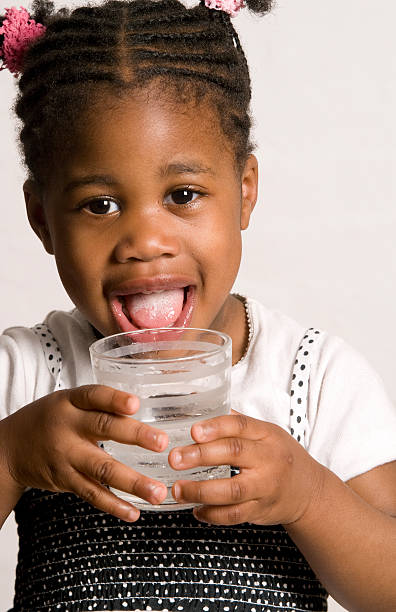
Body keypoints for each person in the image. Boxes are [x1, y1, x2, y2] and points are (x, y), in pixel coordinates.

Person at [0, 0, 395, 610]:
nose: (145, 242)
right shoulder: (26, 372)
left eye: (183, 195)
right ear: (41, 218)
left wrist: (311, 496)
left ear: (244, 192)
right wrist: (11, 454)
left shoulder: (310, 378)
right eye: (99, 205)